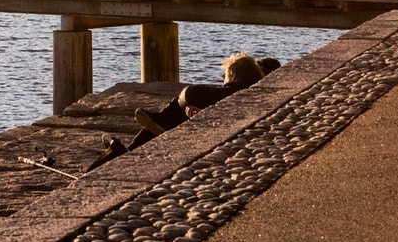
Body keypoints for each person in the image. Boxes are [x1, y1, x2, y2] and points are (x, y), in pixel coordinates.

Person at [88, 52, 268, 170]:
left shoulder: (236, 91)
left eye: (225, 76)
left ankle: (144, 137)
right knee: (177, 114)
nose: (223, 80)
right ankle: (142, 139)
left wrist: (184, 101)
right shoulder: (252, 94)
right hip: (226, 132)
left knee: (179, 104)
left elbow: (191, 92)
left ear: (234, 75)